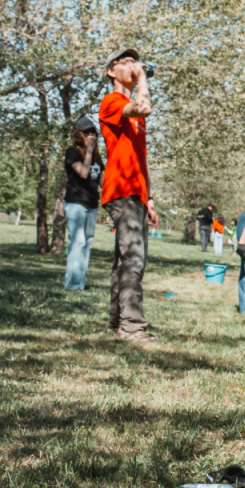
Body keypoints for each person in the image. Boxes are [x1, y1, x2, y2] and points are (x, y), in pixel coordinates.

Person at [100, 48, 159, 343]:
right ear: (111, 71)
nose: (134, 67)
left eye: (136, 63)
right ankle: (133, 328)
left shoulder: (133, 106)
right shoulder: (111, 102)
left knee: (125, 261)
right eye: (127, 62)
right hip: (120, 190)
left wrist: (149, 199)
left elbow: (142, 156)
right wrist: (143, 78)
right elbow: (145, 108)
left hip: (136, 193)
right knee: (134, 259)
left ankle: (117, 322)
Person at [63, 116, 104, 290]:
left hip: (92, 204)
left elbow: (103, 182)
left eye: (93, 131)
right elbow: (84, 173)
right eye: (87, 132)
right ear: (79, 134)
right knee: (77, 242)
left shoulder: (97, 157)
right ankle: (73, 285)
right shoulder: (72, 152)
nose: (91, 135)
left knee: (86, 243)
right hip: (76, 203)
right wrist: (88, 151)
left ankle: (78, 283)